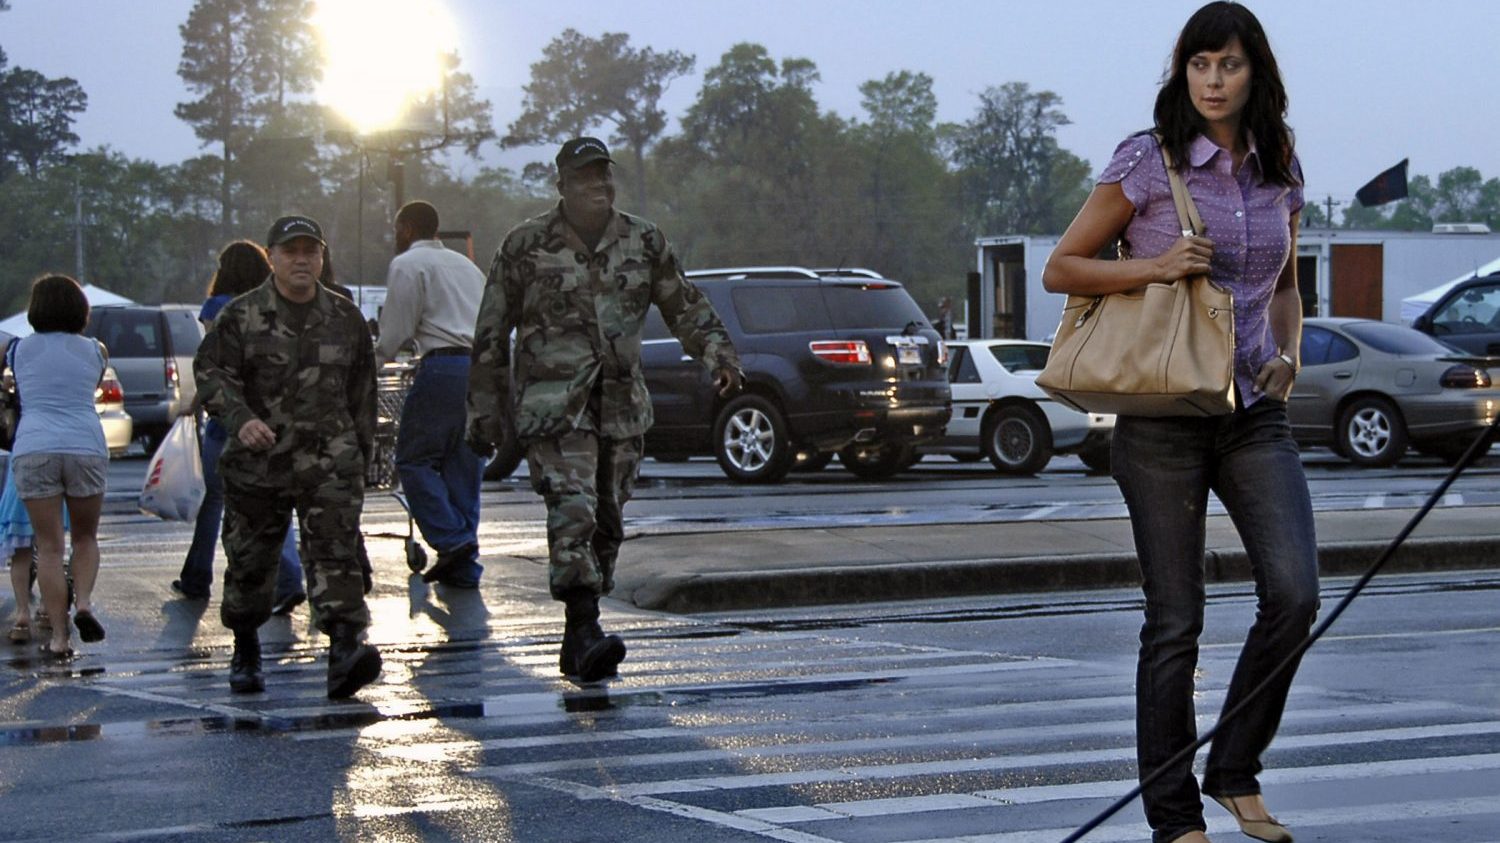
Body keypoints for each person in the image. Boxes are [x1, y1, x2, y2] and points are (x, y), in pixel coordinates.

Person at [1042, 5, 1315, 842]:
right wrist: (1157, 264)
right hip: (1161, 417)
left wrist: (1290, 355)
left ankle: (1235, 768)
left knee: (1295, 592)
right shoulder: (1148, 161)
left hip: (1253, 415)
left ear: (1254, 72)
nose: (1212, 80)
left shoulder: (1279, 165)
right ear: (1183, 71)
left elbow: (1285, 284)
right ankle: (1174, 816)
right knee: (1176, 620)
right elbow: (1062, 267)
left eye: (1228, 65)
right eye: (1199, 64)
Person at [467, 137, 743, 682]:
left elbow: (683, 303)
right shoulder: (525, 245)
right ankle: (584, 622)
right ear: (562, 185)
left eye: (605, 177)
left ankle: (578, 639)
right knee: (574, 512)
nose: (599, 186)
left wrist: (718, 353)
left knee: (609, 523)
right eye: (586, 178)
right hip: (554, 408)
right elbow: (491, 331)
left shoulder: (643, 239)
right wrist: (485, 411)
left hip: (620, 405)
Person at [194, 215, 382, 699]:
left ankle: (344, 648)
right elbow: (212, 374)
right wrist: (241, 419)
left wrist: (363, 455)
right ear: (272, 258)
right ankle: (245, 646)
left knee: (336, 555)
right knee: (251, 562)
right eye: (291, 251)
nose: (302, 260)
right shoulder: (242, 315)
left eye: (311, 251)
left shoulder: (345, 317)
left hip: (330, 462)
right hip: (261, 461)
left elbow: (362, 391)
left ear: (321, 257)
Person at [174, 240, 307, 616]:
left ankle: (202, 577)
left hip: (230, 419)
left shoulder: (217, 308)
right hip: (273, 414)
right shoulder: (275, 305)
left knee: (215, 500)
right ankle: (288, 577)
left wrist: (194, 404)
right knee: (276, 499)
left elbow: (213, 365)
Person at [376, 200, 485, 588]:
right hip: (480, 369)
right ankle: (464, 566)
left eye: (396, 230)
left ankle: (451, 539)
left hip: (441, 367)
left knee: (413, 460)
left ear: (406, 228)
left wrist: (374, 362)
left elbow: (397, 328)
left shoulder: (407, 264)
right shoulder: (467, 267)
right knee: (463, 463)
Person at [9, 275, 110, 658]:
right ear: (80, 309)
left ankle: (60, 637)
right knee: (85, 538)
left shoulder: (17, 350)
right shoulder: (96, 350)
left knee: (49, 547)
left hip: (35, 446)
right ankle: (83, 602)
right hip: (85, 445)